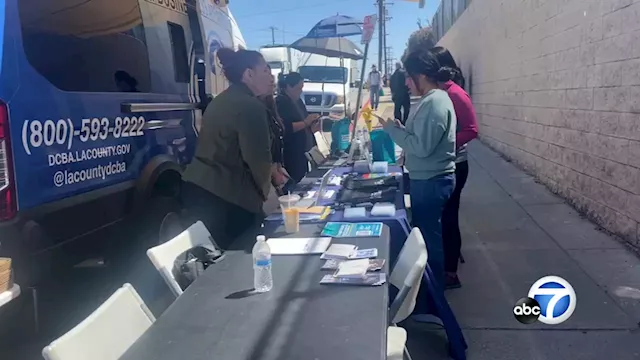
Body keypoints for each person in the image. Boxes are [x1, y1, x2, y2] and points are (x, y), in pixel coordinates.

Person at [378, 48, 457, 292]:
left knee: (428, 240)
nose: (408, 85)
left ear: (420, 76)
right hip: (429, 178)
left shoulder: (434, 102)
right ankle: (430, 288)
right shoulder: (431, 100)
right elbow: (420, 138)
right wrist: (402, 130)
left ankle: (433, 293)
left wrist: (392, 130)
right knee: (427, 235)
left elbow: (421, 147)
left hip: (432, 181)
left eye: (409, 80)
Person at [181, 48, 274, 249]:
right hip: (227, 197)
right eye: (265, 70)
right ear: (249, 74)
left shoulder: (222, 99)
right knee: (236, 261)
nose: (270, 76)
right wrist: (266, 191)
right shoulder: (250, 106)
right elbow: (257, 158)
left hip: (201, 189)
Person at [430, 46, 478, 289]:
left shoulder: (455, 94)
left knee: (448, 218)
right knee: (444, 217)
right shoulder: (440, 92)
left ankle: (450, 272)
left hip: (455, 164)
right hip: (445, 162)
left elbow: (471, 130)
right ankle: (448, 262)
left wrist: (445, 144)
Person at [276, 72, 321, 184]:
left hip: (304, 151)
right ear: (288, 87)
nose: (300, 91)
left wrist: (312, 125)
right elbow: (286, 127)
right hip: (291, 153)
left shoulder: (298, 101)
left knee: (303, 178)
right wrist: (306, 122)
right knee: (295, 181)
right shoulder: (281, 102)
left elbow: (304, 121)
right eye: (298, 88)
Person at [259, 68, 290, 195]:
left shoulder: (270, 104)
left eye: (271, 74)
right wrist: (273, 170)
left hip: (277, 170)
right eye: (265, 72)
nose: (272, 79)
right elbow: (261, 146)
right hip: (267, 177)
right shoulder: (254, 108)